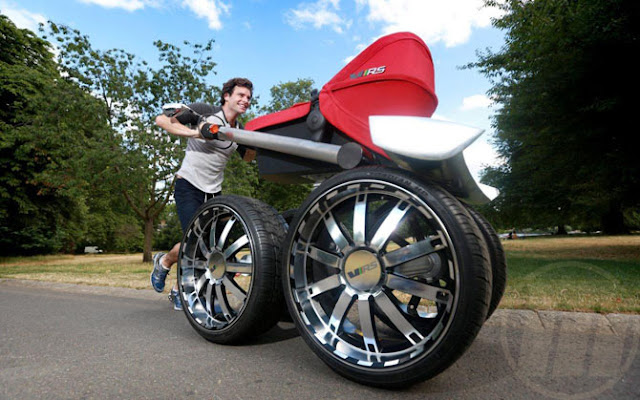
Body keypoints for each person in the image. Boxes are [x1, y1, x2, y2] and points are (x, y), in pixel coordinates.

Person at [150, 77, 255, 310]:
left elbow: (248, 157)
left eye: (248, 97)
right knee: (195, 243)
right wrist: (195, 133)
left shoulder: (239, 130)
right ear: (226, 96)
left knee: (214, 248)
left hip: (214, 192)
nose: (245, 100)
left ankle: (173, 279)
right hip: (189, 185)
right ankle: (173, 274)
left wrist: (256, 143)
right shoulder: (203, 112)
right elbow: (161, 120)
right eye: (240, 95)